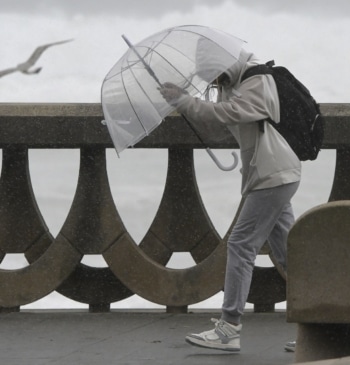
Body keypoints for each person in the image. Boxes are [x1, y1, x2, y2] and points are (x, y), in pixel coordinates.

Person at [159, 43, 301, 352]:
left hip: (272, 176)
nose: (213, 82)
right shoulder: (237, 81)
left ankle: (229, 326)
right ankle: (323, 323)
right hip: (272, 175)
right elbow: (217, 117)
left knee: (240, 244)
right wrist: (181, 97)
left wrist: (185, 102)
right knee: (293, 256)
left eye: (214, 75)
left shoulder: (257, 78)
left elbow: (230, 112)